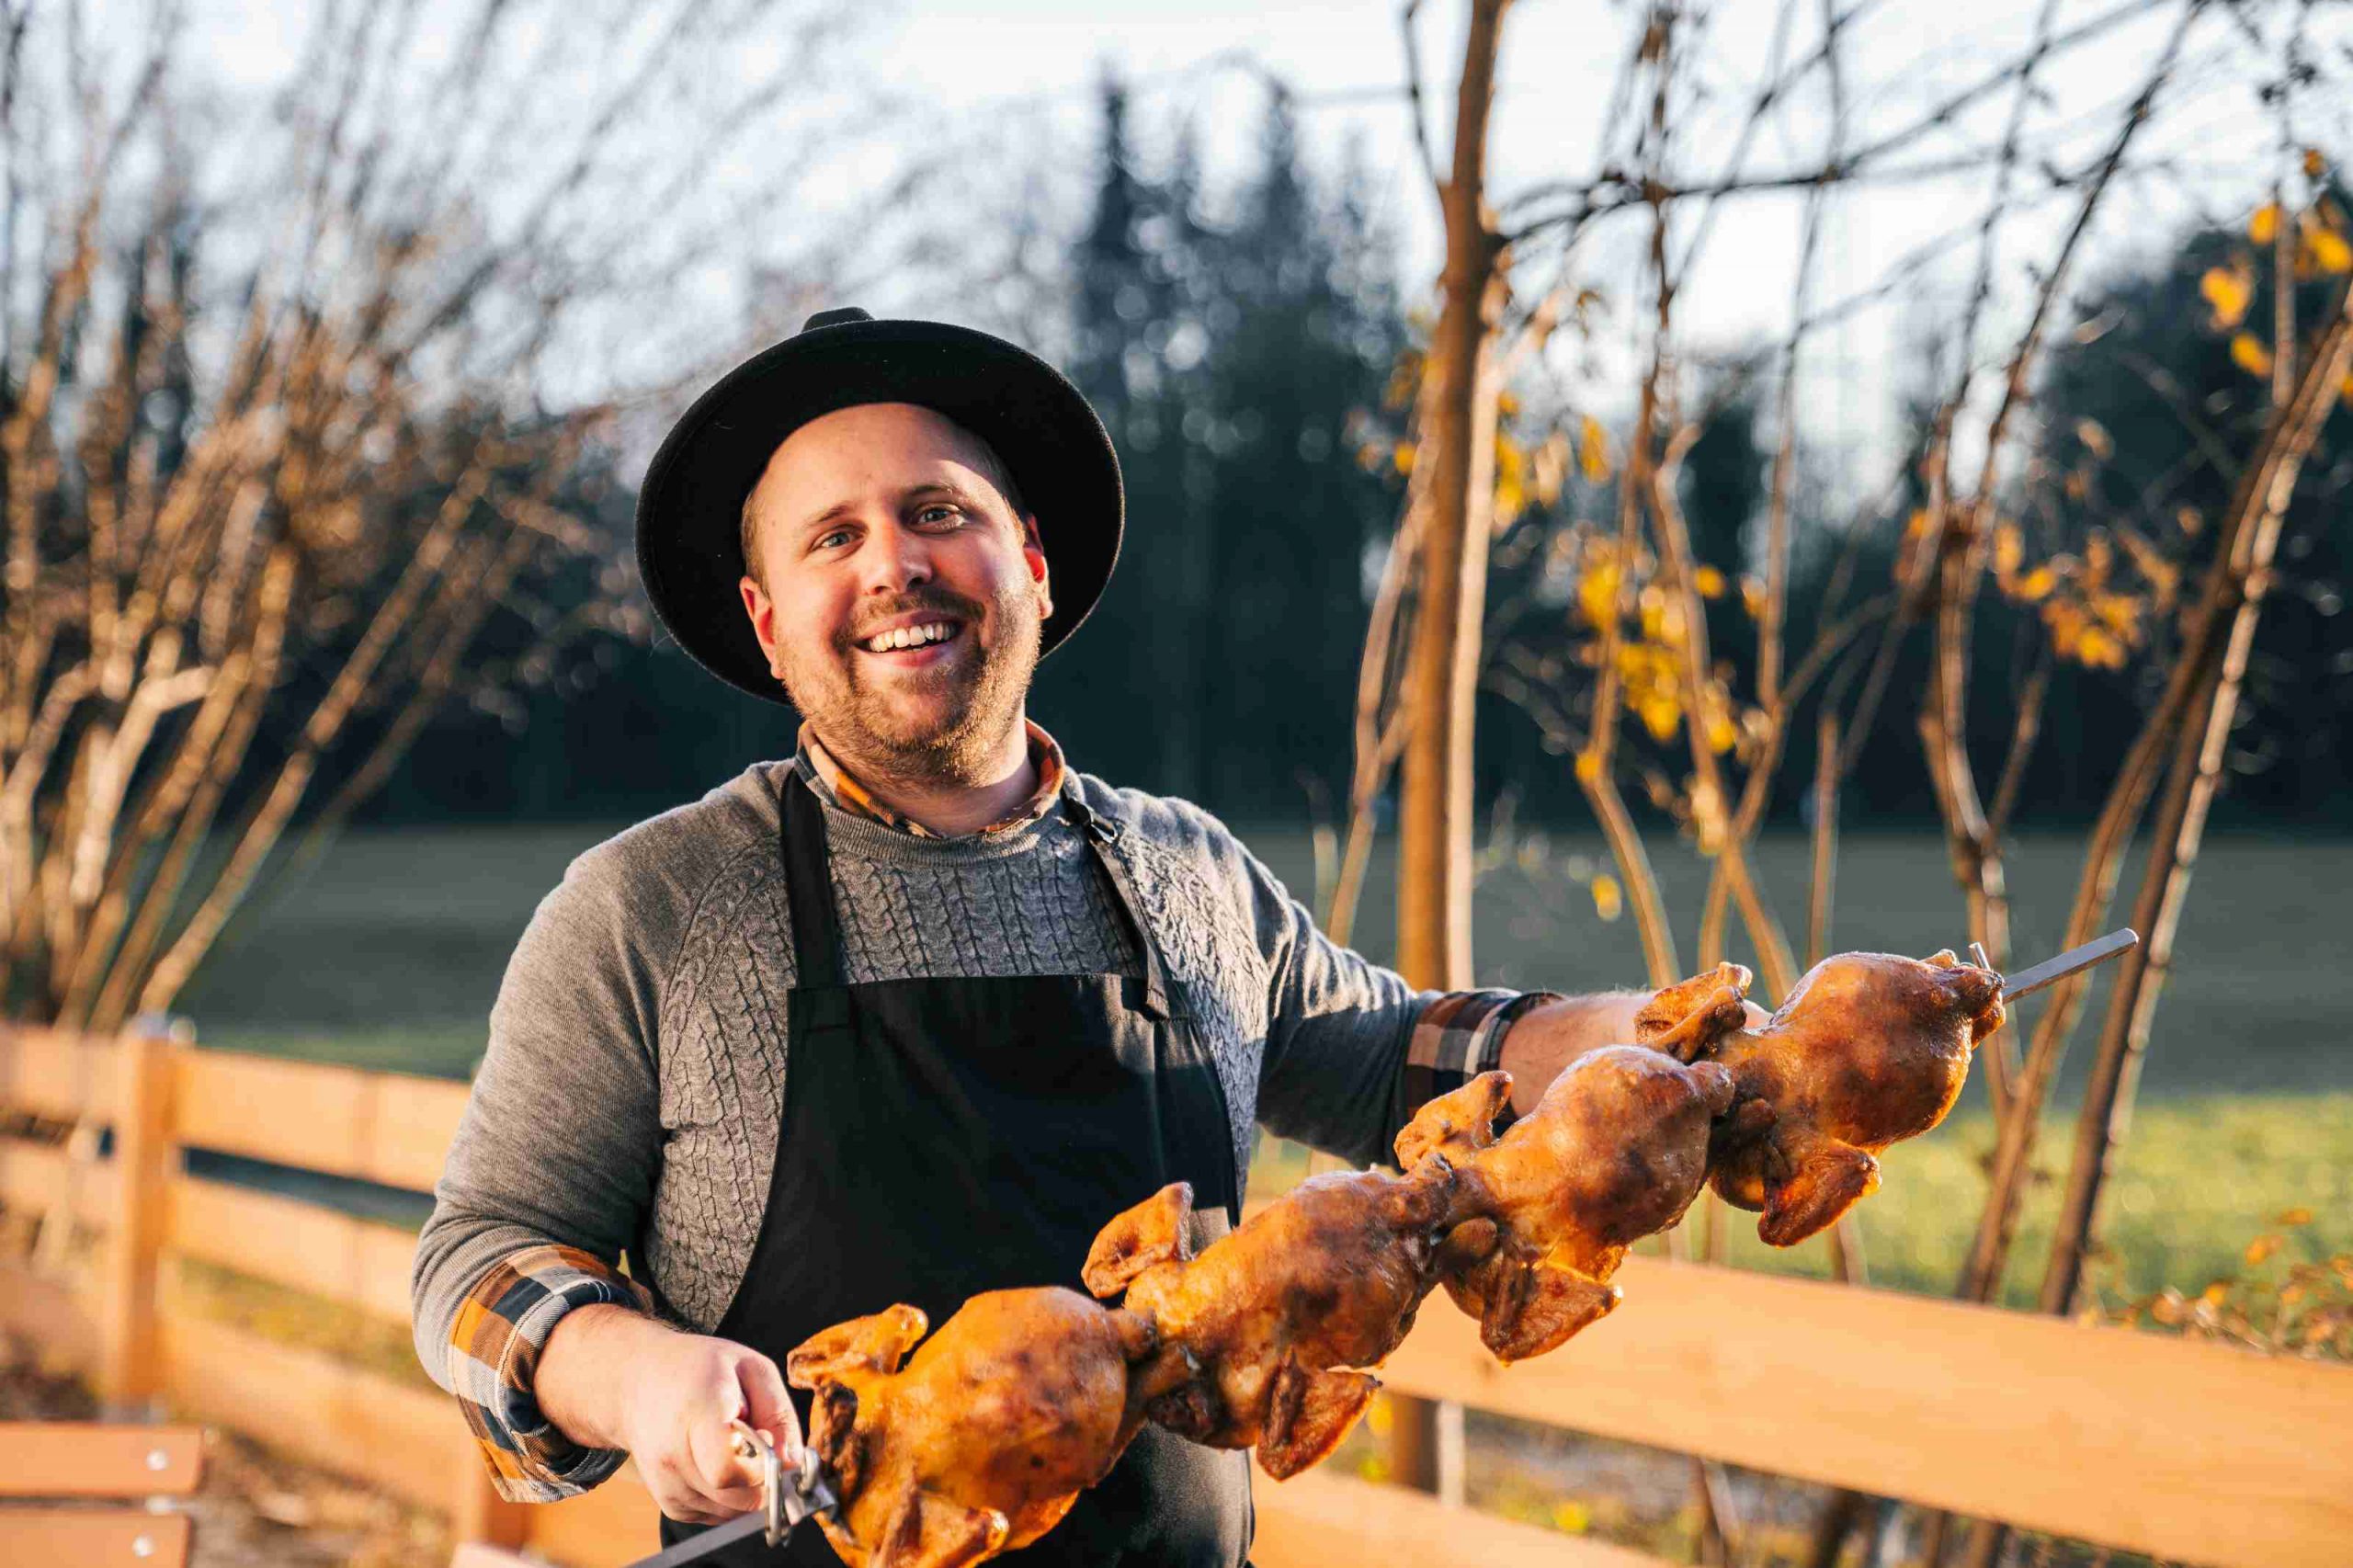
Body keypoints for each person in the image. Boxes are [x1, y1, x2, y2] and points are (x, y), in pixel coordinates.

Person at [411, 308, 1710, 1567]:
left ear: (1029, 561)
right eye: (834, 537)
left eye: (938, 512)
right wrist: (640, 1376)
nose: (893, 566)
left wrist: (1678, 1043)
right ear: (766, 621)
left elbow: (1413, 1062)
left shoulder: (1192, 880)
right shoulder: (651, 908)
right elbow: (479, 1259)